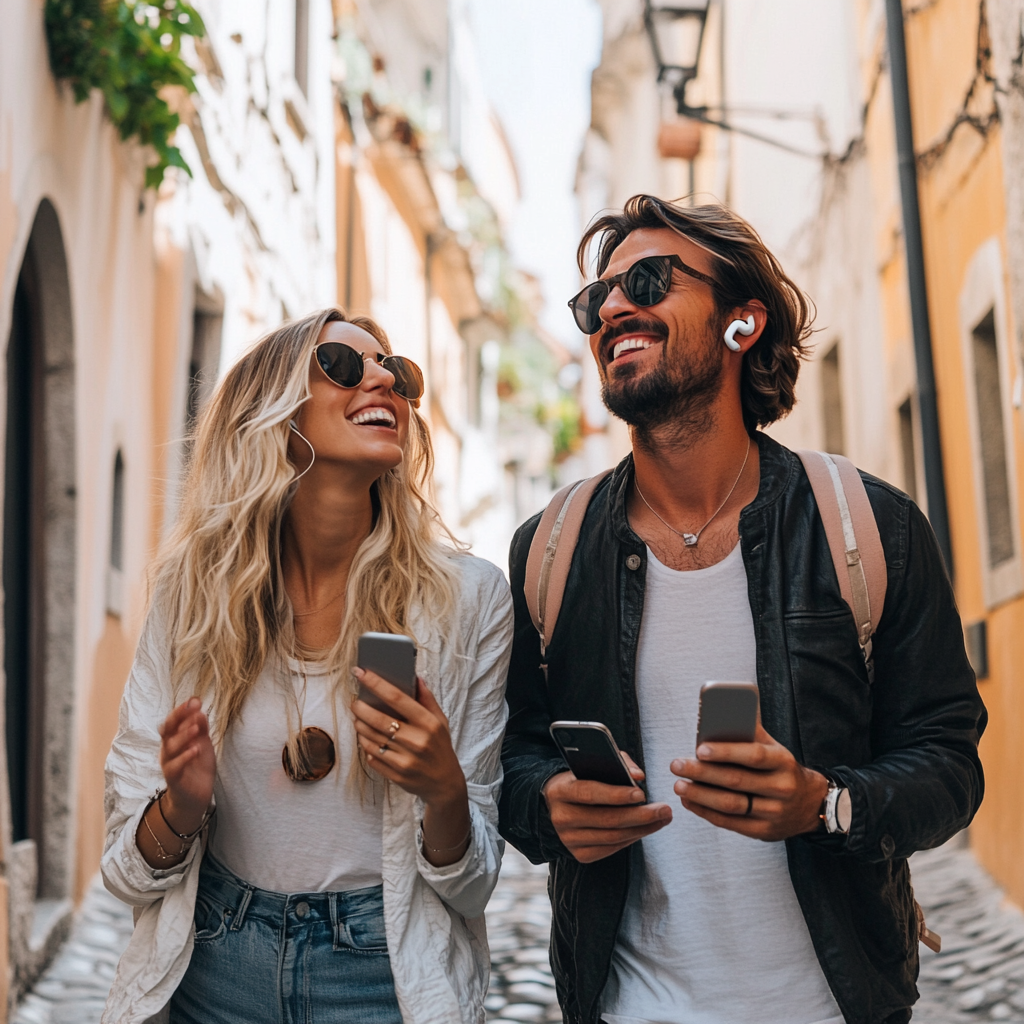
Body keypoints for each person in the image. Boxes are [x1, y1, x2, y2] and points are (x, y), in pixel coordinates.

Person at [499, 195, 986, 1024]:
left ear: (742, 324)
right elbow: (511, 756)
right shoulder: (550, 549)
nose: (613, 307)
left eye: (647, 281)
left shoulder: (868, 528)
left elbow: (949, 764)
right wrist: (545, 804)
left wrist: (825, 803)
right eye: (596, 299)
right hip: (625, 1006)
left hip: (833, 1004)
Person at [101, 308, 512, 1024]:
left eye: (396, 369)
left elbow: (471, 887)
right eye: (345, 365)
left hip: (381, 975)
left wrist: (444, 790)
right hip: (214, 962)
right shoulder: (193, 592)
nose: (383, 376)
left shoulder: (468, 601)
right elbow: (126, 873)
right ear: (275, 418)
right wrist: (182, 807)